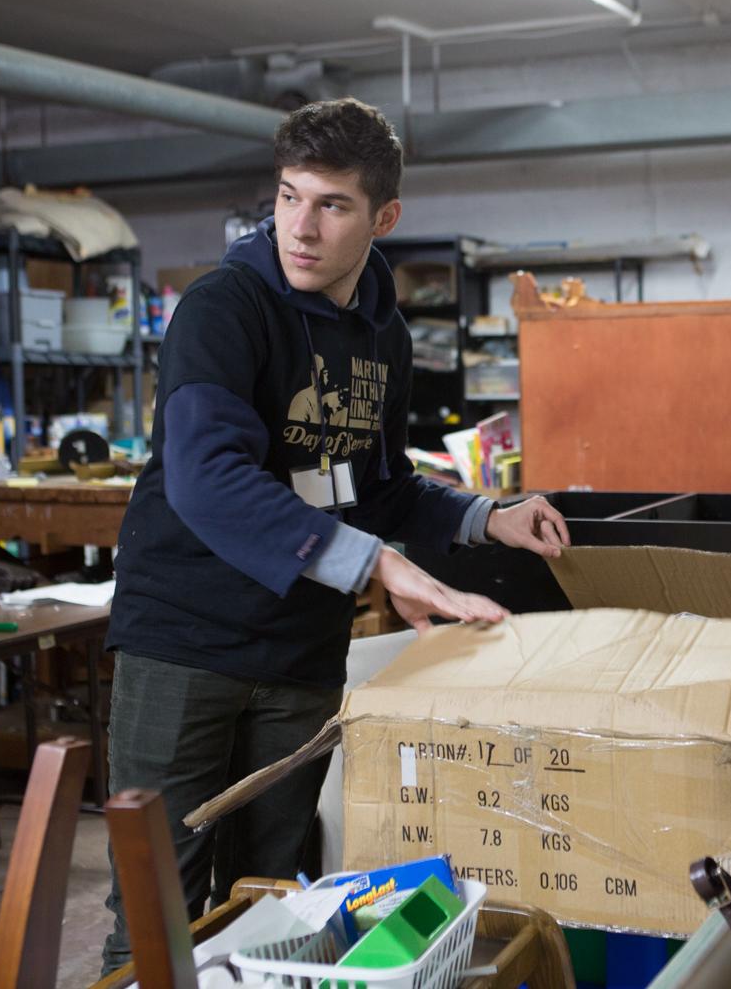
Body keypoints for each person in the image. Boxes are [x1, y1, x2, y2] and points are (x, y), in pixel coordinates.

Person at [99, 97, 570, 974]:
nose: (300, 228)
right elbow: (209, 477)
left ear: (384, 217)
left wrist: (485, 516)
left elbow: (376, 486)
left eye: (332, 205)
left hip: (296, 657)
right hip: (184, 646)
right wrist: (374, 563)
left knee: (269, 906)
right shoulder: (223, 308)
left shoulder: (384, 340)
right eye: (287, 198)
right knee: (155, 909)